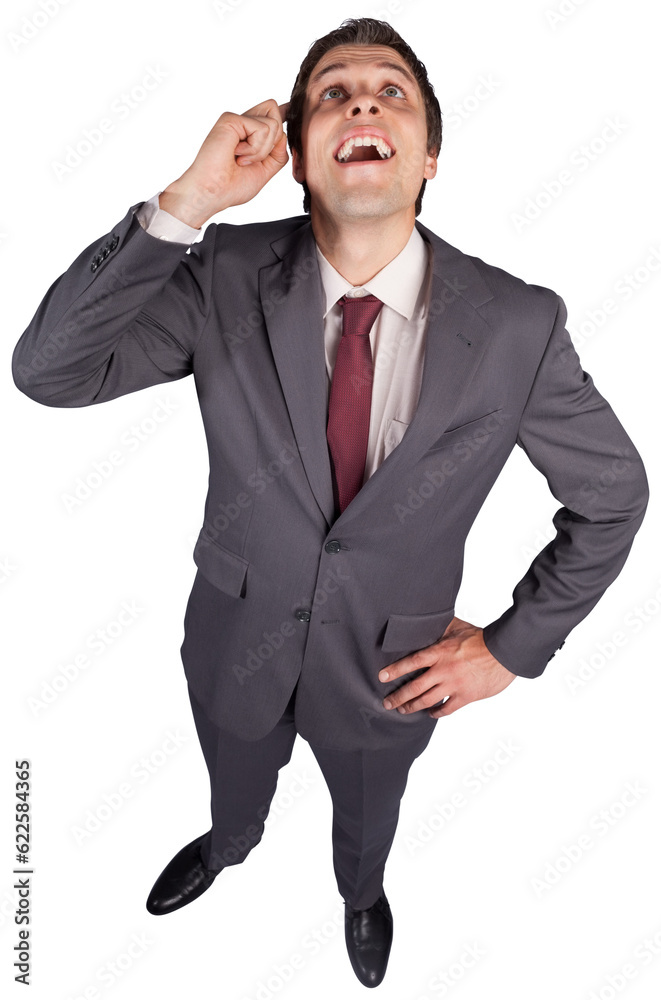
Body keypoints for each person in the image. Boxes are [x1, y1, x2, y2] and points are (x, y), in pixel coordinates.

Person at [12, 17, 648, 989]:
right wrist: (190, 202)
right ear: (301, 157)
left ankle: (360, 893)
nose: (361, 100)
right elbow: (50, 370)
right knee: (234, 781)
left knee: (367, 815)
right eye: (333, 94)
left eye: (390, 91)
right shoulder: (221, 274)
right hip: (234, 637)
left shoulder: (518, 324)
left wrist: (513, 648)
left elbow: (611, 495)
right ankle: (229, 846)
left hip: (395, 672)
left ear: (429, 154)